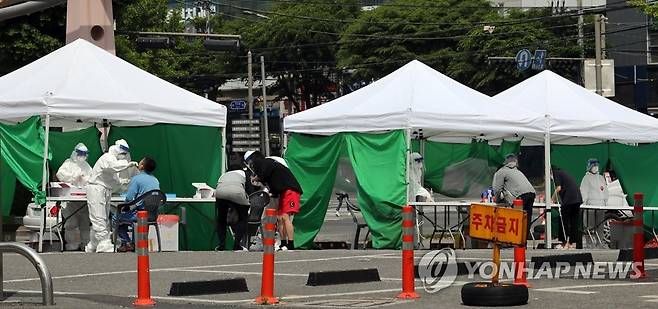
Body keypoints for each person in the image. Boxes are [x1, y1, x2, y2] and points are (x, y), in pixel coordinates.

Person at [85, 139, 137, 253]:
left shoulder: (114, 162)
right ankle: (103, 243)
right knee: (98, 216)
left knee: (103, 218)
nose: (124, 156)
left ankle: (94, 243)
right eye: (122, 153)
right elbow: (113, 166)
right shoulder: (107, 157)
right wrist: (127, 164)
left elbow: (116, 182)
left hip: (104, 190)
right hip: (96, 188)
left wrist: (125, 182)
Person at [245, 151, 302, 251]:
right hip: (282, 192)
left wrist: (256, 178)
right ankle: (283, 243)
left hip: (290, 190)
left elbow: (263, 176)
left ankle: (291, 244)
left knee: (285, 217)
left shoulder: (267, 163)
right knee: (279, 218)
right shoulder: (270, 164)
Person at [115, 157, 160, 252]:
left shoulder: (137, 179)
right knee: (130, 213)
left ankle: (126, 242)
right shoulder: (155, 180)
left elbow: (128, 198)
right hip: (152, 215)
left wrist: (126, 206)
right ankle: (133, 243)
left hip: (140, 215)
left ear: (142, 166)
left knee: (116, 217)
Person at [55, 143, 92, 251]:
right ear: (75, 153)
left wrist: (85, 179)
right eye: (80, 154)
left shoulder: (86, 165)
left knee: (85, 223)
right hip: (70, 198)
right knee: (71, 223)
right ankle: (71, 244)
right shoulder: (68, 163)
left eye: (84, 154)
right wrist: (74, 177)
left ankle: (86, 243)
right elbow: (60, 175)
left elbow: (92, 177)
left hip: (83, 199)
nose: (82, 156)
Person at [492, 154, 536, 238]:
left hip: (520, 196)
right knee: (526, 219)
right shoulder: (517, 171)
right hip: (531, 193)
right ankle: (523, 242)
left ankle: (517, 241)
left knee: (517, 219)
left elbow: (497, 189)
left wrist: (498, 200)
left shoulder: (501, 171)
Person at [214, 165, 255, 251]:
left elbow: (218, 186)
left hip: (220, 193)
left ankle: (221, 245)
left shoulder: (224, 175)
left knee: (221, 219)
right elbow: (250, 191)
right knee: (243, 218)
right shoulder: (244, 173)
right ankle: (237, 245)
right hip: (237, 192)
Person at [551, 167, 583, 249]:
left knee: (563, 220)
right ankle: (572, 243)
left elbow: (558, 188)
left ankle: (564, 243)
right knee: (574, 221)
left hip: (569, 199)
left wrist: (552, 199)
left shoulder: (556, 173)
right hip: (577, 198)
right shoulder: (565, 173)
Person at [580, 158, 609, 240]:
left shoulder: (601, 178)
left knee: (600, 226)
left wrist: (605, 203)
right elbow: (583, 192)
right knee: (590, 226)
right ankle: (589, 244)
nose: (596, 167)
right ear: (590, 167)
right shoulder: (586, 178)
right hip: (590, 207)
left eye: (597, 165)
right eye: (594, 165)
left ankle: (600, 243)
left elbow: (605, 191)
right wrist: (584, 204)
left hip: (601, 206)